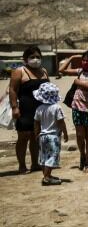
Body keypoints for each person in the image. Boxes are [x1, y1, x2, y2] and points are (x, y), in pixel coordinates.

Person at [59, 49, 88, 172]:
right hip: (77, 107)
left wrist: (77, 81)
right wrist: (72, 58)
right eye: (83, 60)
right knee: (79, 135)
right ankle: (82, 156)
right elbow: (61, 70)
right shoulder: (80, 71)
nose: (84, 63)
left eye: (87, 61)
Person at [9, 46, 50, 174]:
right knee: (23, 136)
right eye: (32, 57)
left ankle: (35, 164)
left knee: (36, 136)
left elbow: (49, 89)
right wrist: (14, 107)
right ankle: (22, 165)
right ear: (26, 59)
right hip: (24, 109)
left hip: (41, 109)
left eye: (38, 57)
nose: (35, 59)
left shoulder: (43, 71)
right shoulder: (19, 71)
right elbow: (12, 90)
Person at [32, 82, 68, 186]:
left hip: (42, 136)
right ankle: (47, 177)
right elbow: (61, 122)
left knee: (44, 157)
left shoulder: (39, 108)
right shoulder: (57, 107)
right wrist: (65, 133)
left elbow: (36, 122)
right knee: (52, 156)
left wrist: (36, 134)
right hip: (53, 137)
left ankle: (46, 175)